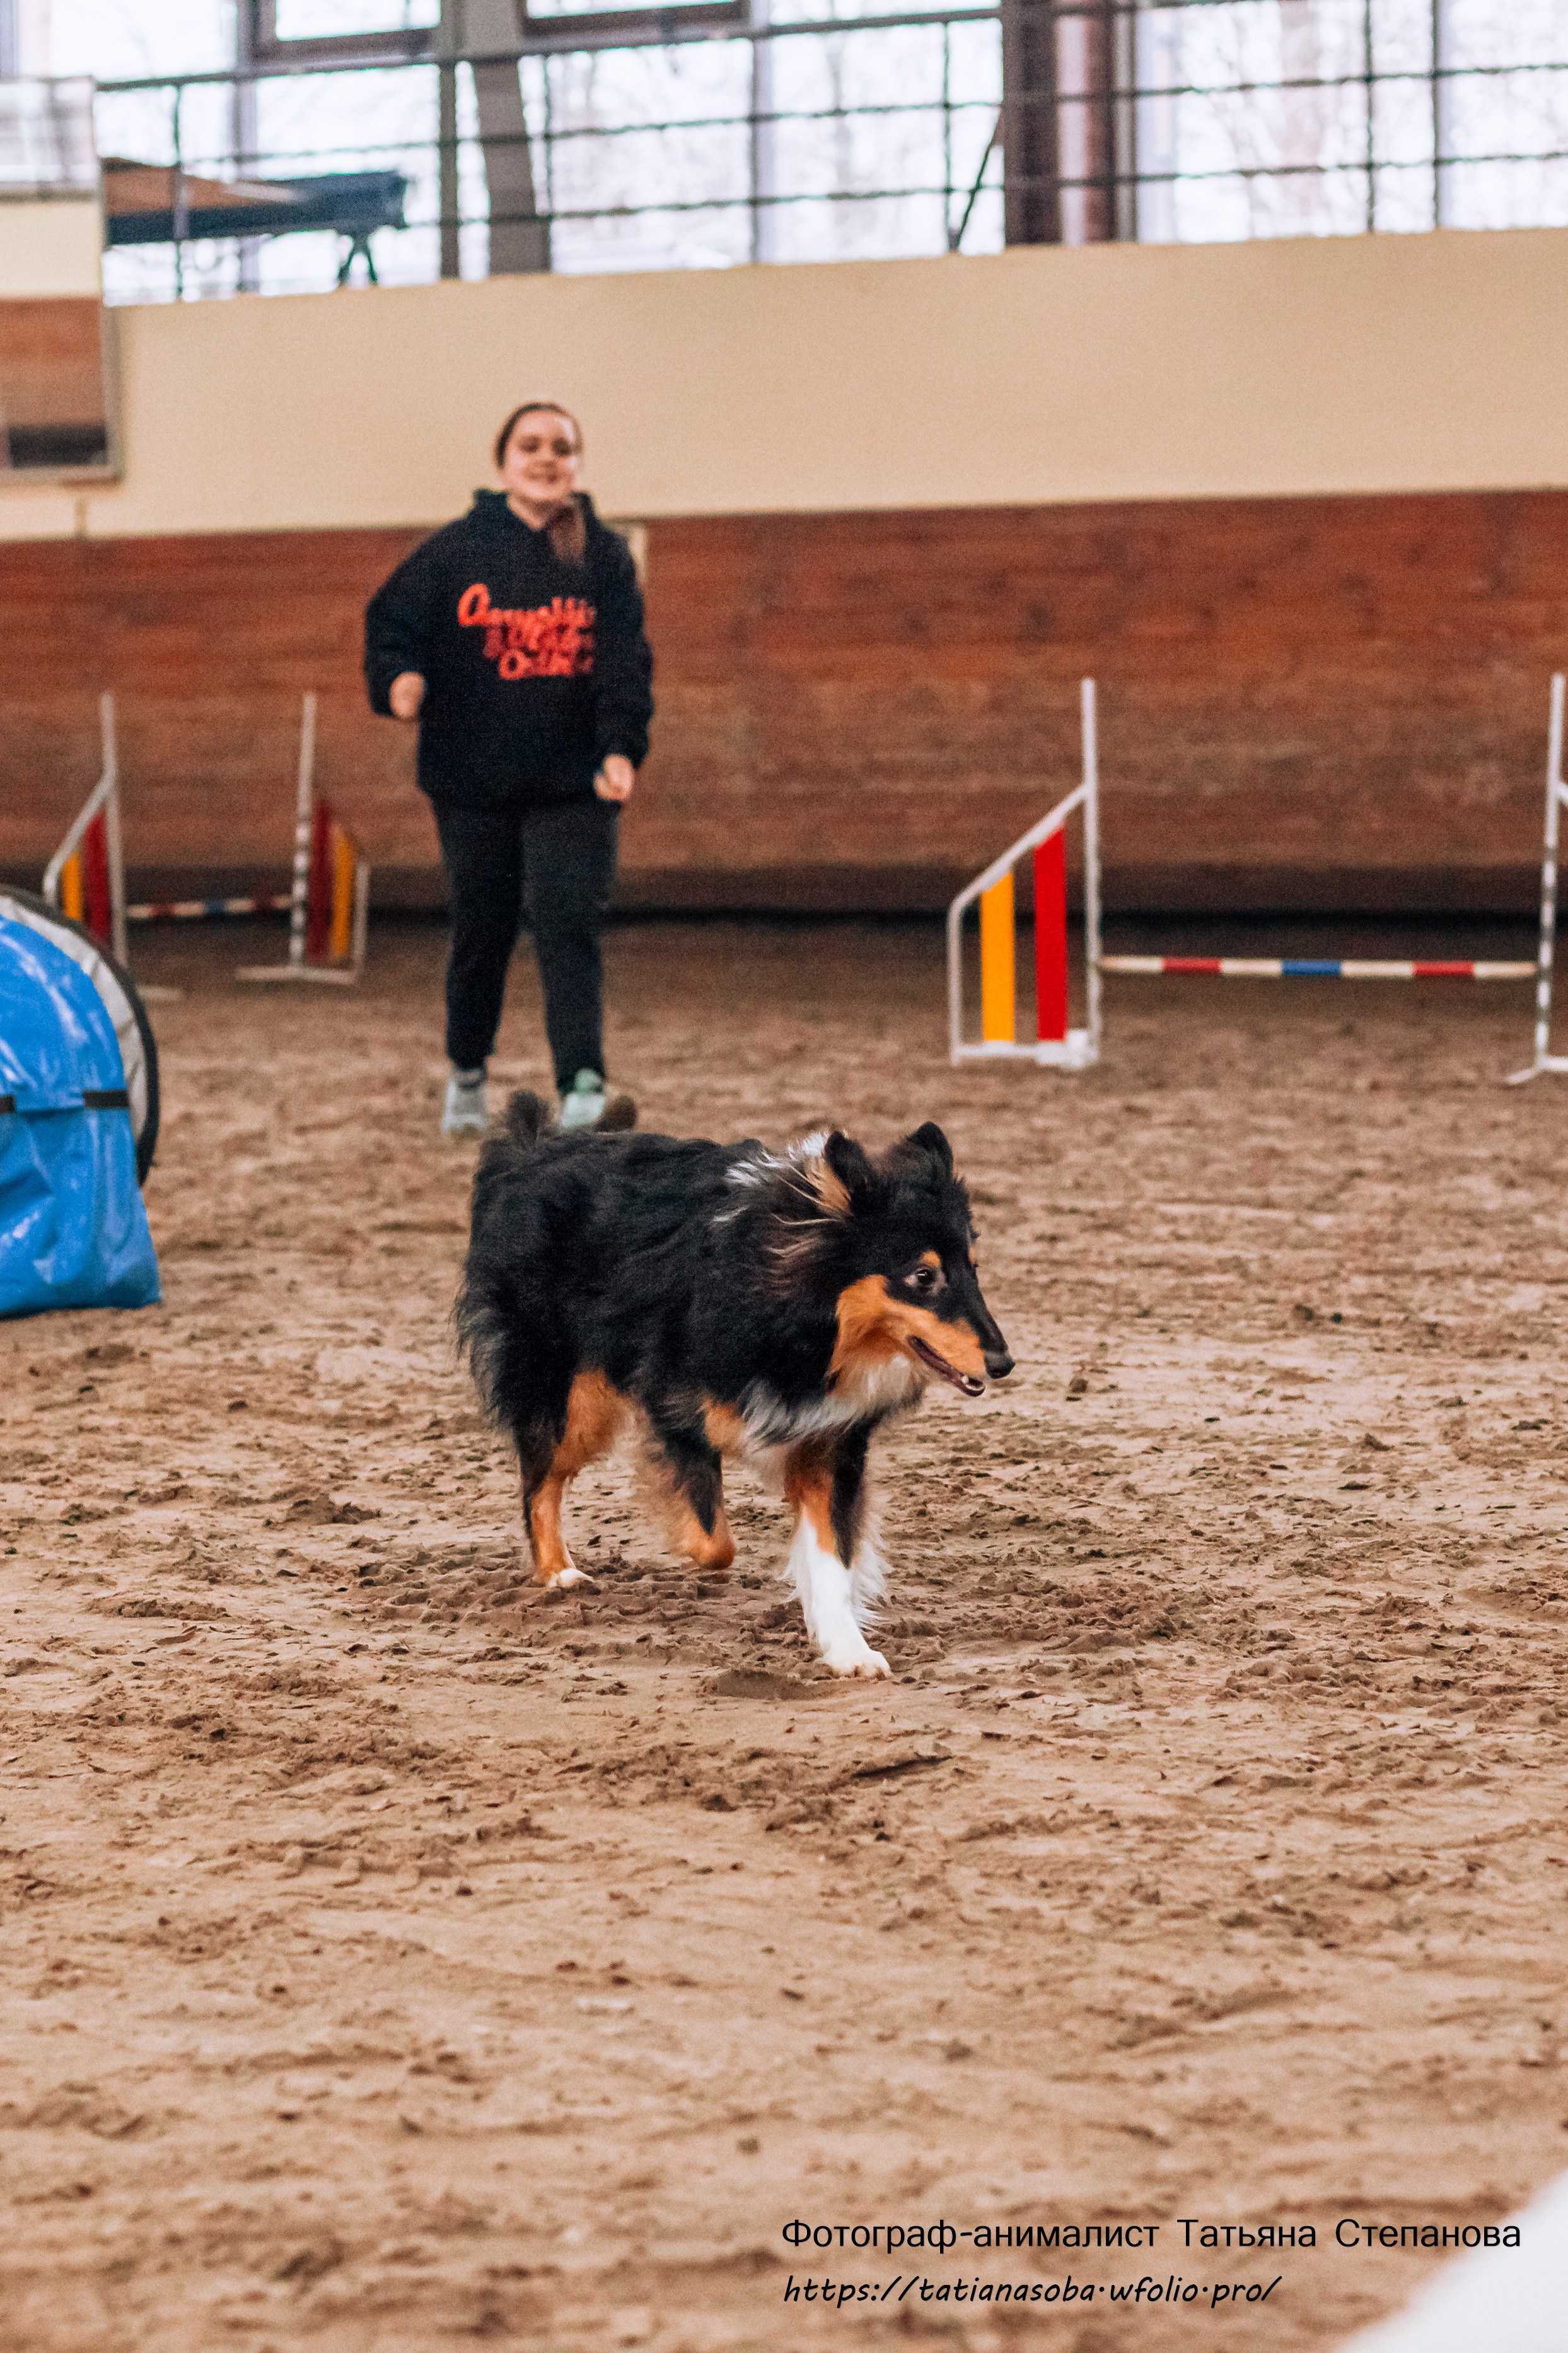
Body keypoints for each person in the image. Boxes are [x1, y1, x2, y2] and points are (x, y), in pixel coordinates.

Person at [364, 402, 653, 1137]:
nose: (547, 457)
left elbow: (626, 660)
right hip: (473, 780)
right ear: (503, 463)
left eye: (563, 446)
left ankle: (583, 1083)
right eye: (531, 445)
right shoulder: (453, 552)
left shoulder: (604, 556)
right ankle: (467, 1070)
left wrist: (622, 745)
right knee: (482, 929)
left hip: (574, 780)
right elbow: (391, 622)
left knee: (568, 923)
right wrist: (401, 679)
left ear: (579, 463)